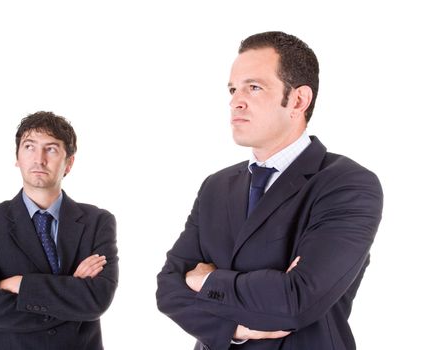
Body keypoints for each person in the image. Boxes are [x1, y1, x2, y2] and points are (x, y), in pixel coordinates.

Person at [156, 31, 383, 350]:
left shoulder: (347, 184)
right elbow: (168, 289)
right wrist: (236, 327)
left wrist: (206, 280)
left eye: (254, 87)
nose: (236, 100)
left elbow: (296, 301)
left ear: (299, 100)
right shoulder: (216, 186)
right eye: (233, 89)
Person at [0, 111, 118, 350]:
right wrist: (72, 292)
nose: (39, 159)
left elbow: (97, 301)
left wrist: (22, 285)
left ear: (69, 162)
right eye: (29, 147)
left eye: (51, 149)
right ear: (17, 156)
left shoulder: (98, 222)